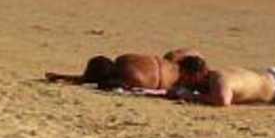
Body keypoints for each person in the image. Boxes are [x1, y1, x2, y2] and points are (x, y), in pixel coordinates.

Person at [45, 48, 200, 92]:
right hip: (169, 72)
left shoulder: (128, 75)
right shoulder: (124, 59)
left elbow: (85, 79)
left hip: (164, 76)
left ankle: (67, 77)